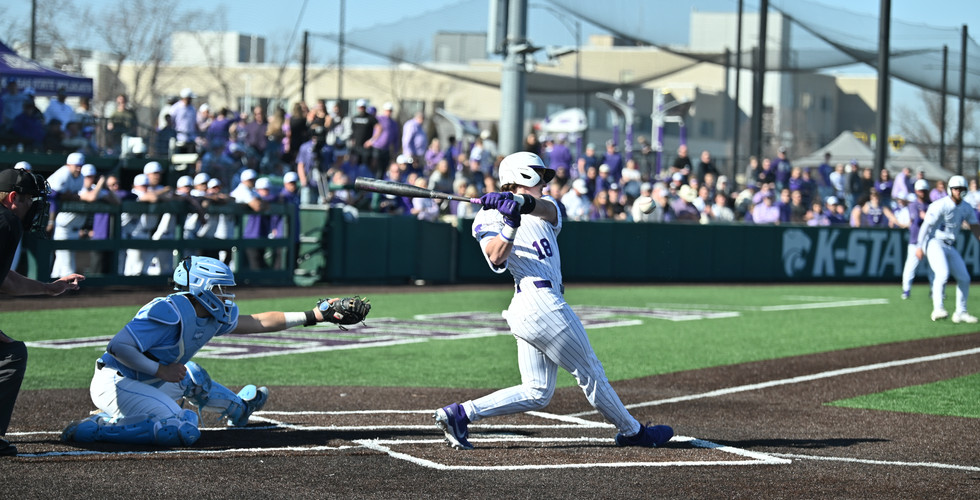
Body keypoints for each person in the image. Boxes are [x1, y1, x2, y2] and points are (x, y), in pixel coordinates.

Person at [433, 152, 673, 451]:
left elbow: (545, 209)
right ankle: (633, 432)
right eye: (539, 176)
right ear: (522, 175)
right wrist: (509, 222)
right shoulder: (486, 216)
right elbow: (496, 257)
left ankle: (460, 414)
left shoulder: (546, 206)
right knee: (590, 371)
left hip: (537, 305)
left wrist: (518, 203)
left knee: (537, 391)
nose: (545, 183)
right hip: (538, 301)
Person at [59, 256, 366, 447]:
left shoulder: (211, 314)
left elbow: (258, 321)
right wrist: (161, 370)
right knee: (181, 429)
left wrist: (314, 315)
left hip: (145, 381)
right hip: (116, 381)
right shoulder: (168, 310)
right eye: (220, 289)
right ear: (201, 288)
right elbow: (118, 346)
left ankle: (239, 410)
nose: (227, 296)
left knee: (193, 375)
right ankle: (97, 428)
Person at [0, 168, 84, 457]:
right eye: (29, 200)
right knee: (10, 355)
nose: (34, 207)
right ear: (13, 198)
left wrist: (48, 288)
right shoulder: (7, 221)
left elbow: (5, 280)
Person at [915, 175, 980, 323]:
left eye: (961, 189)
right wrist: (919, 246)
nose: (959, 191)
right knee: (942, 273)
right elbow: (926, 225)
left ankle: (961, 312)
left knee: (964, 278)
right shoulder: (940, 204)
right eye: (956, 189)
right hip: (934, 242)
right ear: (950, 189)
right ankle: (937, 308)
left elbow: (974, 226)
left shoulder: (966, 207)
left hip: (949, 245)